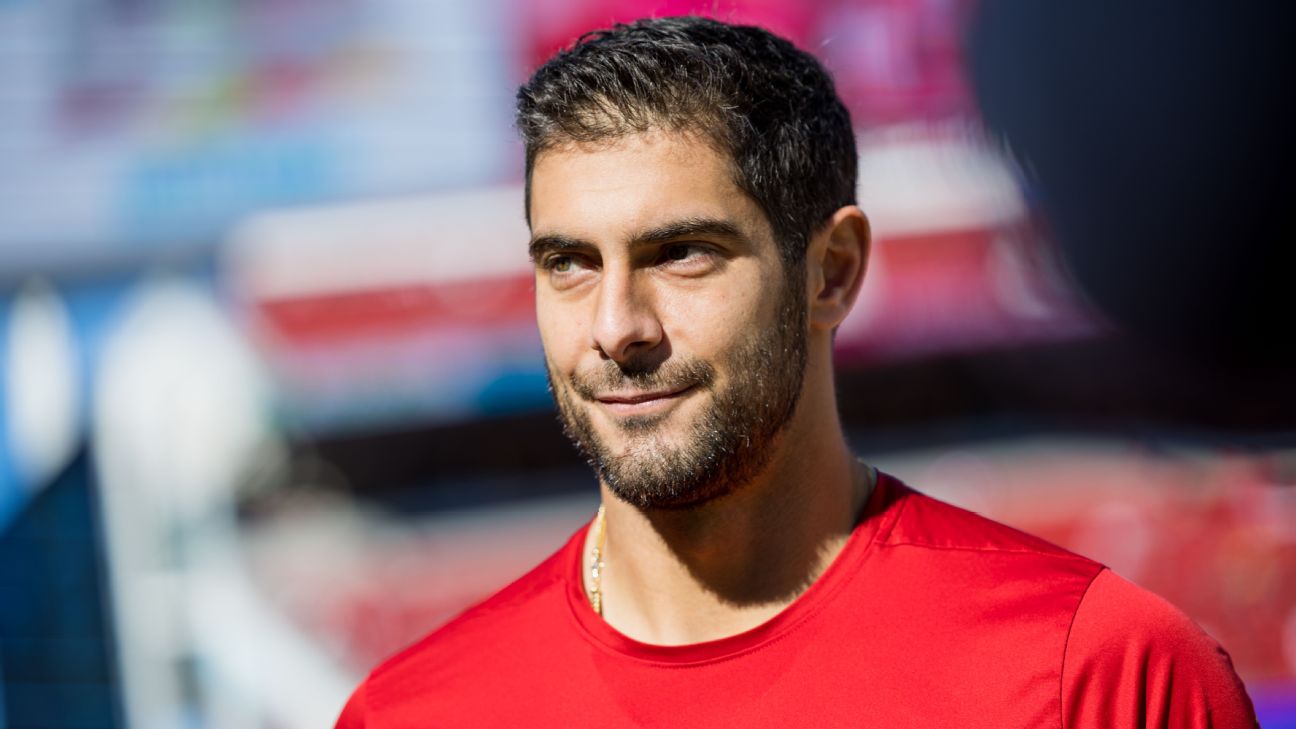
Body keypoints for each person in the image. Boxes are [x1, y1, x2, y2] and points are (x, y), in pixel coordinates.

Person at [335, 16, 1257, 728]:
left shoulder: (1098, 673)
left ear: (832, 270)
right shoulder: (413, 711)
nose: (615, 328)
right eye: (568, 263)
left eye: (681, 253)